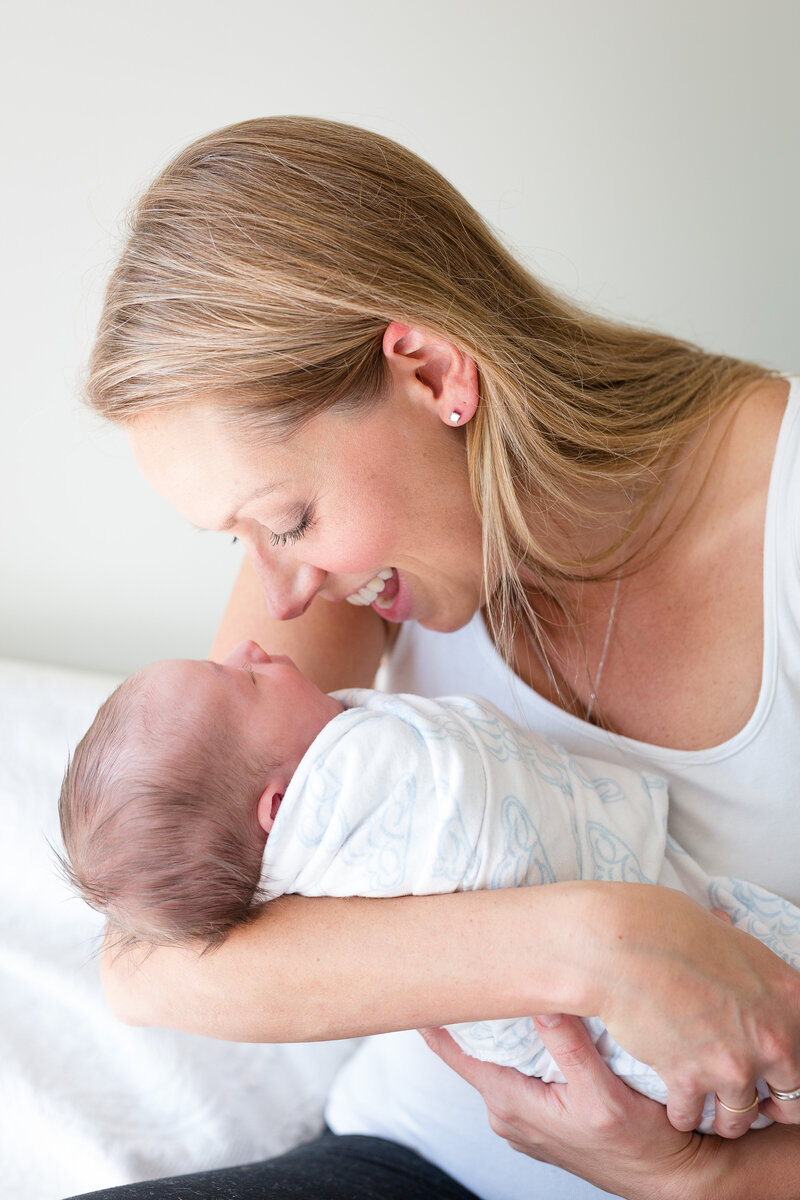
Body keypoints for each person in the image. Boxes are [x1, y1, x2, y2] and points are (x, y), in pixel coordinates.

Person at [67, 115, 800, 1200]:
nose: (277, 594)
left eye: (286, 518)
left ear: (429, 372)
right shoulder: (339, 577)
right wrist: (600, 941)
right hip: (408, 1162)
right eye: (240, 538)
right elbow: (155, 961)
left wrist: (701, 1183)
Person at [59, 639, 800, 1138]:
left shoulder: (264, 760)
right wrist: (594, 944)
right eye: (244, 680)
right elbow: (137, 975)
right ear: (282, 810)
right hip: (522, 1096)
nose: (253, 646)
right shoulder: (365, 790)